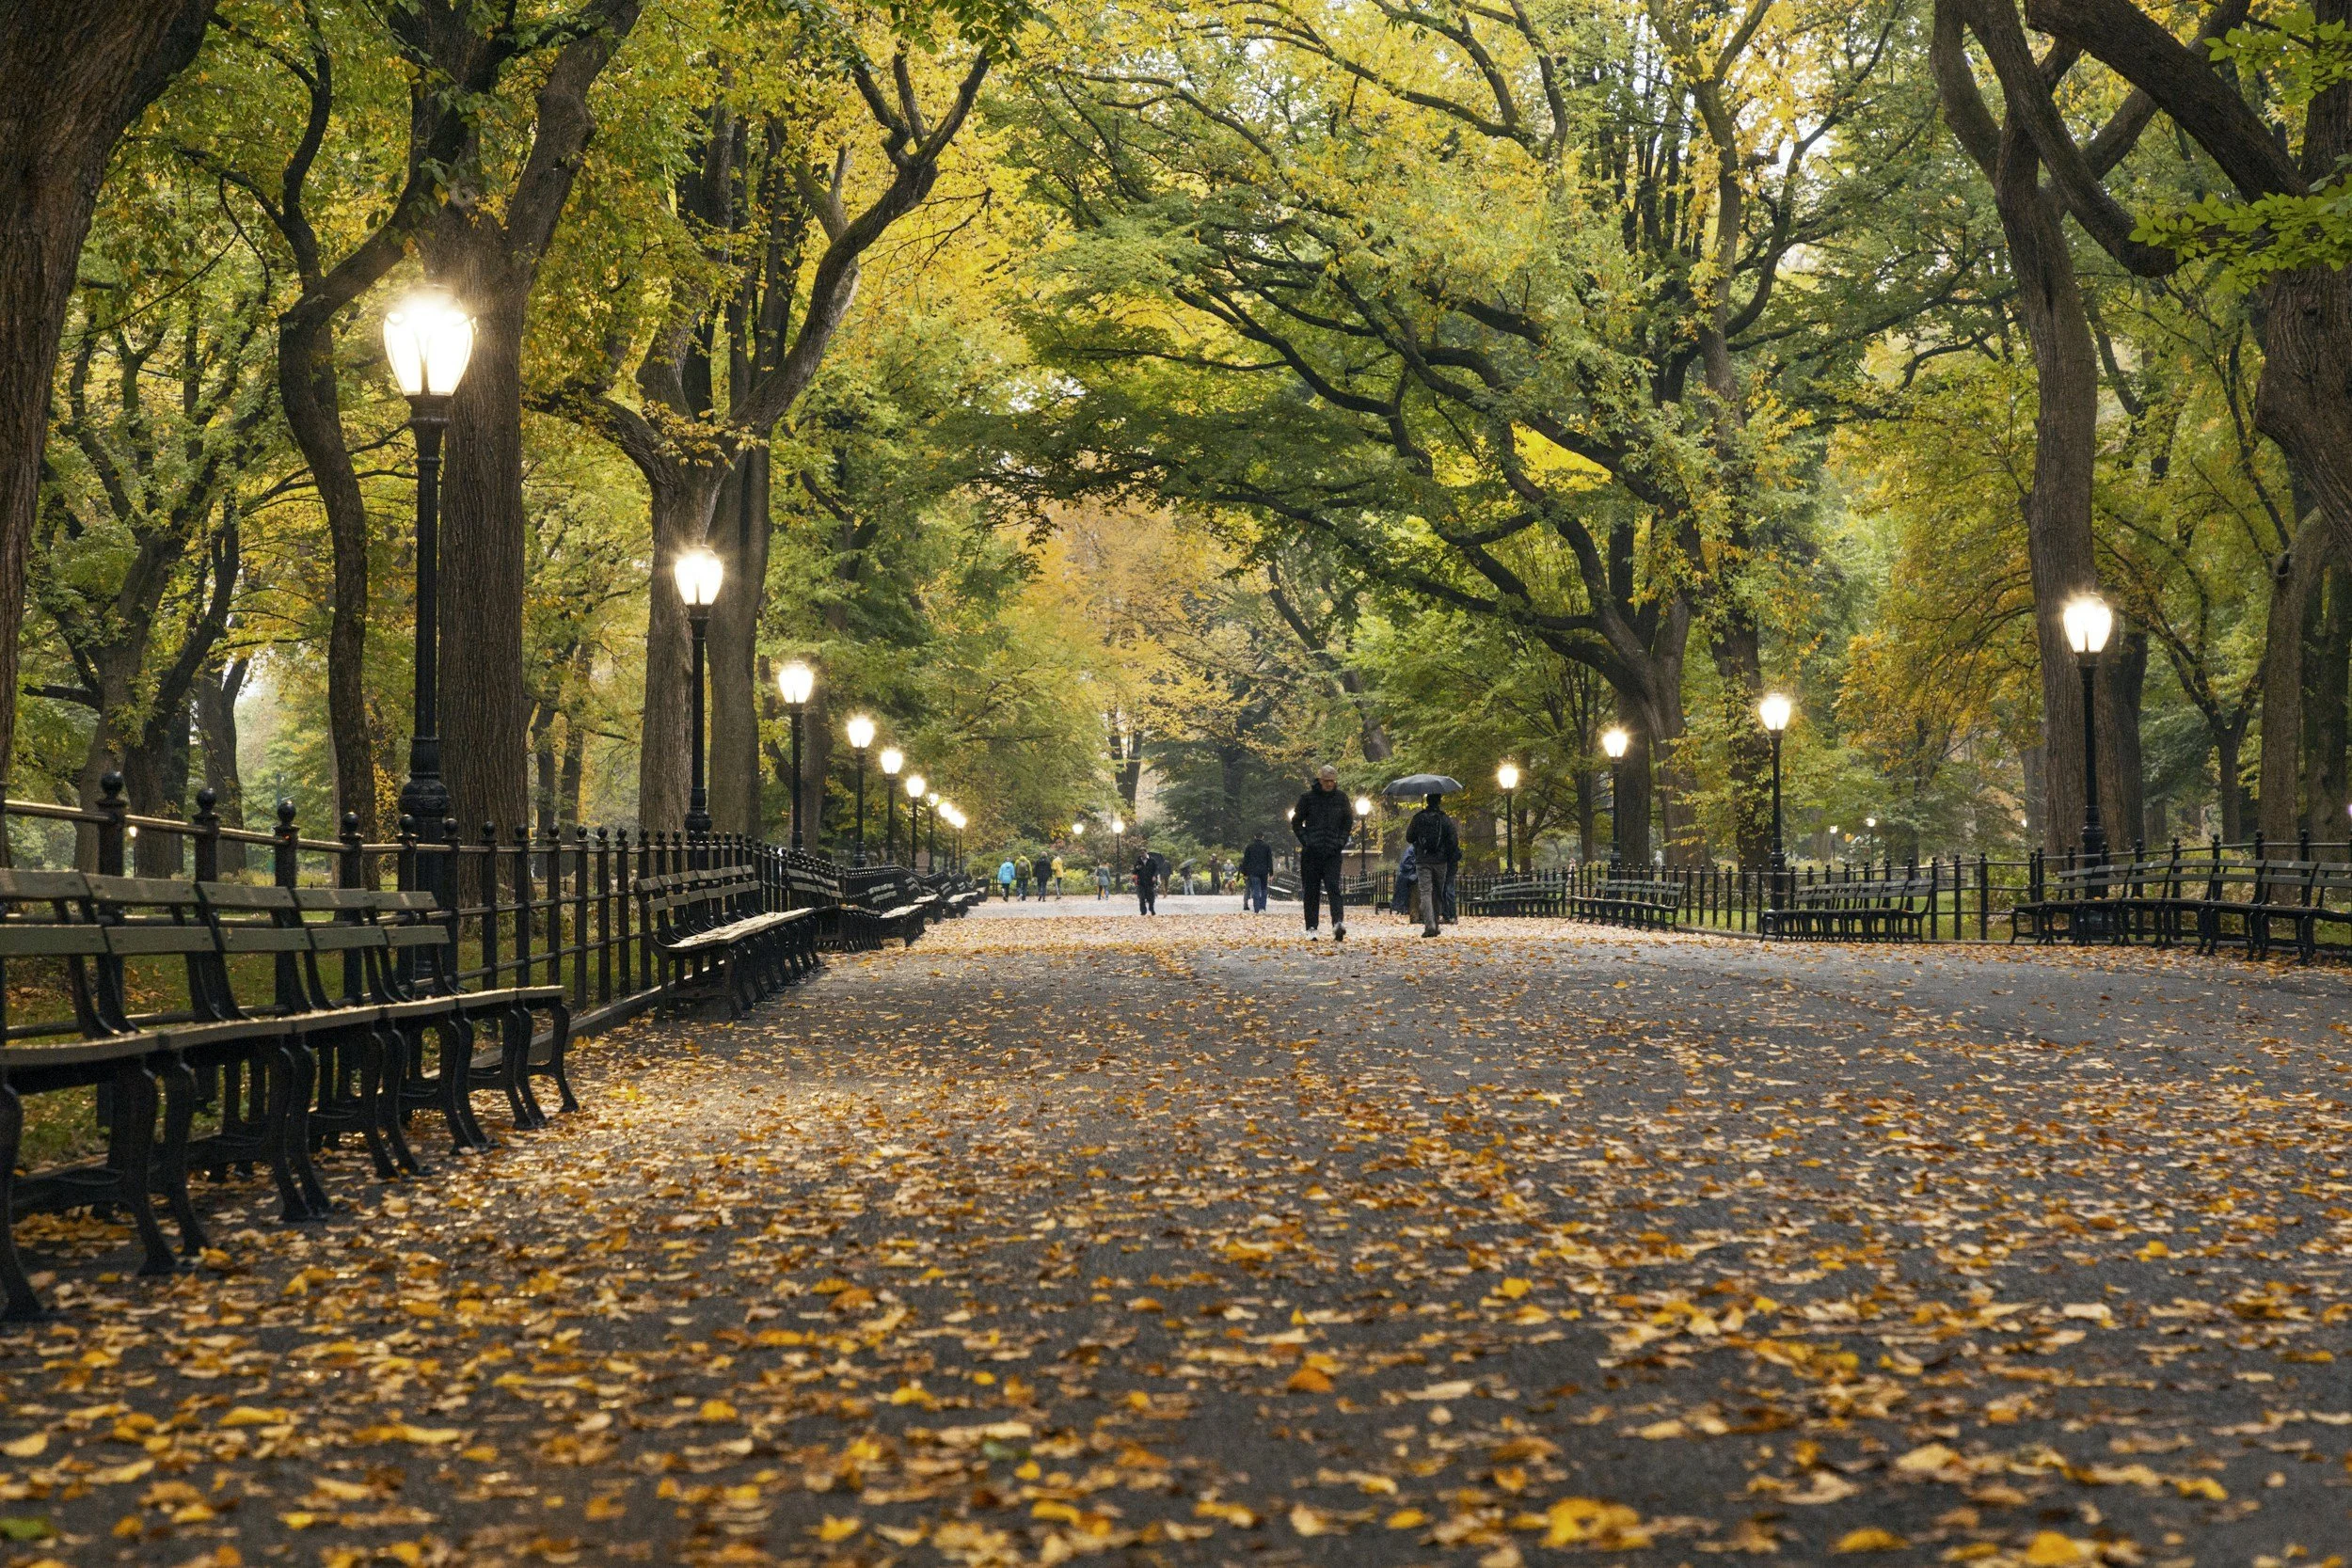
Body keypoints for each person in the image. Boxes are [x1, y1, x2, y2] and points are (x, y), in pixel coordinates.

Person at [1289, 764, 1352, 941]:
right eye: (1326, 781)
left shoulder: (1341, 798)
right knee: (1311, 891)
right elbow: (1296, 822)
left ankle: (1338, 923)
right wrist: (1307, 841)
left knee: (1333, 888)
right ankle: (1311, 927)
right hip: (1311, 854)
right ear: (1320, 780)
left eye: (1332, 781)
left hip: (1332, 852)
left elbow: (1348, 823)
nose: (1330, 784)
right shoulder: (1307, 798)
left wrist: (1340, 842)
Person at [1406, 792, 1462, 937]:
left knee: (1425, 892)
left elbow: (1409, 837)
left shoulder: (1418, 818)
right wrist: (1447, 854)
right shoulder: (1444, 819)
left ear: (1427, 801)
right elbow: (1453, 840)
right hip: (1440, 861)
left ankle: (1429, 924)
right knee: (1438, 892)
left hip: (1423, 860)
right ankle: (1436, 923)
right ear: (1439, 801)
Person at [1240, 832, 1273, 913]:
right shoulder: (1267, 846)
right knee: (1264, 889)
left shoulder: (1249, 847)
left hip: (1253, 871)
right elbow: (1270, 860)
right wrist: (1271, 872)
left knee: (1255, 889)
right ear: (1263, 837)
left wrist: (1244, 873)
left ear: (1254, 836)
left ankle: (1256, 908)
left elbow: (1245, 861)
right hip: (1264, 871)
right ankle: (1263, 907)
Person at [1132, 842, 1160, 915]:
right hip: (1141, 882)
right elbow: (1134, 872)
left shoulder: (1152, 860)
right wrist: (1137, 868)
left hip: (1150, 881)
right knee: (1142, 898)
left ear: (1146, 852)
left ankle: (1151, 908)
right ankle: (1143, 911)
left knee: (1151, 897)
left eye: (1143, 853)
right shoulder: (1138, 861)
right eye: (1141, 854)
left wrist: (1154, 876)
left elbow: (1156, 869)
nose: (1142, 855)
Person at [1393, 842, 1419, 918]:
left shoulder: (1411, 849)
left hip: (1406, 875)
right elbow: (1407, 864)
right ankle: (1403, 907)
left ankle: (1402, 907)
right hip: (1408, 874)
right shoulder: (1413, 849)